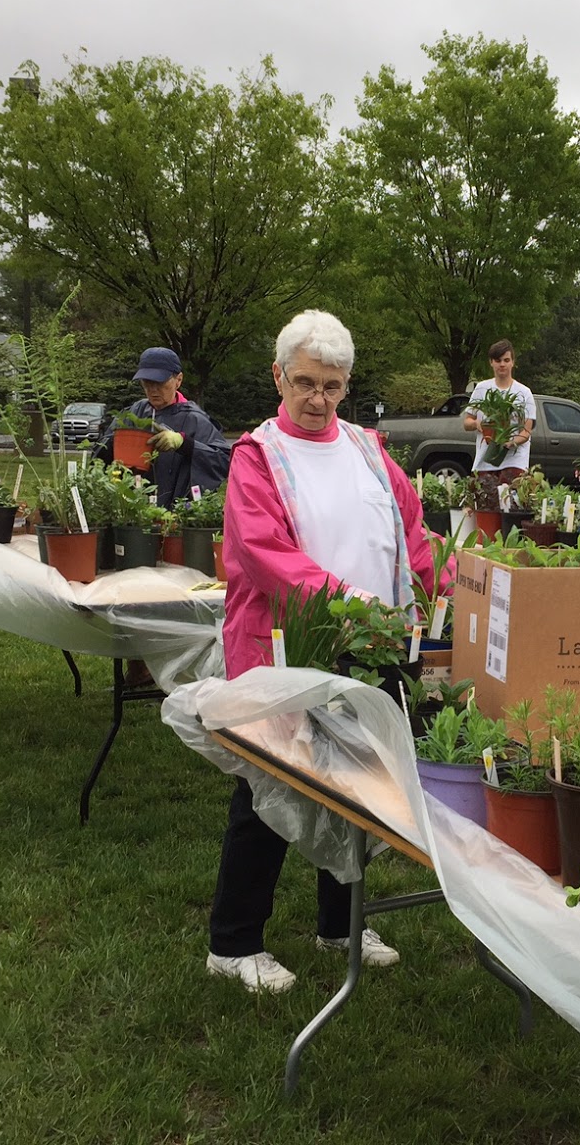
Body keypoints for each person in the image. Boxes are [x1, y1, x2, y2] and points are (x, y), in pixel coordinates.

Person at [207, 309, 447, 994]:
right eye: (306, 382)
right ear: (279, 377)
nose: (319, 399)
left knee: (358, 786)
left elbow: (412, 533)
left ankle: (341, 922)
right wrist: (347, 604)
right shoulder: (258, 457)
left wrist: (441, 594)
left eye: (333, 386)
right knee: (268, 788)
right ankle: (233, 941)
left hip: (373, 646)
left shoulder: (369, 450)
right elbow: (262, 553)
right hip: (287, 647)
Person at [96, 346, 231, 507]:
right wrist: (117, 443)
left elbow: (223, 460)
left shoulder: (194, 419)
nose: (153, 390)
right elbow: (99, 453)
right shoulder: (134, 412)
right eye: (147, 383)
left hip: (177, 513)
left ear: (178, 380)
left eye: (159, 383)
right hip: (132, 510)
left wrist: (185, 443)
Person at [461, 339, 536, 505]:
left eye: (506, 360)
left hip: (515, 461)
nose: (502, 364)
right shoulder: (481, 389)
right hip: (485, 460)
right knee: (485, 507)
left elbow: (526, 431)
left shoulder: (524, 393)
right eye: (498, 360)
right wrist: (477, 424)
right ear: (491, 363)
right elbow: (467, 421)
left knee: (512, 507)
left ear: (513, 362)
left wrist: (511, 442)